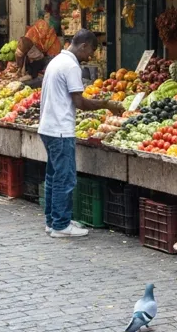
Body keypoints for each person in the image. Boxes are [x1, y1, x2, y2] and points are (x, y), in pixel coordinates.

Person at [39, 29, 123, 238]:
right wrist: (106, 104)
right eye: (91, 52)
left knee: (53, 176)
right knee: (65, 179)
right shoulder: (71, 66)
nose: (90, 57)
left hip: (47, 127)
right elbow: (80, 102)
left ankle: (53, 221)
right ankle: (60, 225)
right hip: (60, 130)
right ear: (83, 45)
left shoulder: (56, 61)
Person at [15, 15, 62, 85]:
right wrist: (20, 68)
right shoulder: (30, 38)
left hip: (52, 57)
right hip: (44, 56)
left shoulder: (36, 41)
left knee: (45, 77)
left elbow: (37, 61)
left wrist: (29, 79)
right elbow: (21, 55)